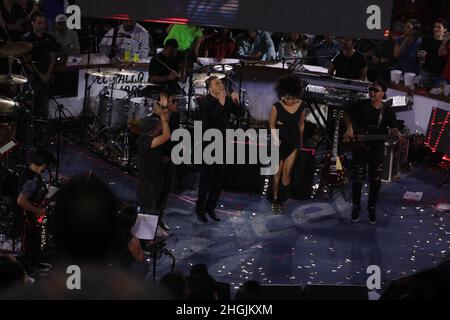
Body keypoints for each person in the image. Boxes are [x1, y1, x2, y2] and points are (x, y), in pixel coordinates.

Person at [343, 81, 400, 224]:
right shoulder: (360, 105)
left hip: (377, 150)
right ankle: (356, 207)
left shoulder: (388, 111)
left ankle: (372, 208)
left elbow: (393, 128)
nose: (372, 93)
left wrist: (396, 133)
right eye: (370, 90)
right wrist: (349, 127)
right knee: (358, 179)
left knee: (375, 181)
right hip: (360, 148)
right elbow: (346, 113)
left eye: (375, 90)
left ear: (383, 93)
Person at [195, 76, 244, 223]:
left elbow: (240, 113)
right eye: (217, 83)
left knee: (218, 180)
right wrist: (222, 105)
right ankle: (200, 209)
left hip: (223, 144)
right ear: (210, 87)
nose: (221, 85)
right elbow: (207, 123)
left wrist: (235, 101)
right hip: (208, 145)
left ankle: (211, 208)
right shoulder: (204, 102)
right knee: (206, 180)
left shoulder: (227, 100)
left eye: (221, 82)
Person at [269, 74, 305, 214]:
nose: (290, 101)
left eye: (292, 98)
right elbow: (271, 125)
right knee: (277, 173)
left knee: (287, 173)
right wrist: (275, 138)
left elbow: (301, 124)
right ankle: (275, 198)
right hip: (278, 141)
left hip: (293, 141)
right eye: (287, 98)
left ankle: (283, 199)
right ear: (282, 94)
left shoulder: (302, 105)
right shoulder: (276, 106)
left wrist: (300, 141)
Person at [147, 89, 180, 231]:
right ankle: (149, 223)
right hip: (158, 160)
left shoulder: (176, 117)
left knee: (166, 190)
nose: (176, 104)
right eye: (173, 101)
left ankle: (159, 218)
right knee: (154, 192)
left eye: (176, 101)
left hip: (171, 158)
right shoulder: (155, 119)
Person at [16, 149, 55, 270]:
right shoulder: (31, 181)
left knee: (34, 238)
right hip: (28, 215)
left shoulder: (30, 174)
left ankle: (34, 263)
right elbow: (21, 200)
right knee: (30, 240)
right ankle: (29, 266)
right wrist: (37, 211)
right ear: (43, 165)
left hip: (30, 214)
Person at [136, 94, 172, 221]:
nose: (160, 126)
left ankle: (151, 232)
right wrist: (162, 116)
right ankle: (145, 238)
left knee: (153, 207)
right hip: (148, 182)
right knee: (148, 211)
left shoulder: (149, 137)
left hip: (154, 179)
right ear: (152, 130)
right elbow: (167, 135)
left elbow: (165, 121)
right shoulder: (146, 142)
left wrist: (163, 107)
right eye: (158, 126)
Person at [22, 11, 59, 120]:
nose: (42, 25)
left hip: (45, 73)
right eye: (39, 23)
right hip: (32, 75)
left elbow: (52, 57)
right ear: (32, 23)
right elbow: (27, 61)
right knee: (31, 103)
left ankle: (42, 127)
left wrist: (47, 74)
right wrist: (40, 75)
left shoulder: (49, 37)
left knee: (44, 102)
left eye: (43, 23)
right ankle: (30, 126)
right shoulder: (26, 38)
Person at [419, 18, 448, 90]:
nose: (436, 29)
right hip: (426, 72)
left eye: (439, 27)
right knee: (421, 94)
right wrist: (419, 54)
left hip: (440, 75)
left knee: (437, 97)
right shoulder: (427, 39)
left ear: (445, 29)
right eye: (435, 27)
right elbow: (420, 53)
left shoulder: (447, 43)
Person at [117, 206, 144, 270]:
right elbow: (140, 259)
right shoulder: (131, 240)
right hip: (120, 271)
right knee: (145, 267)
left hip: (104, 267)